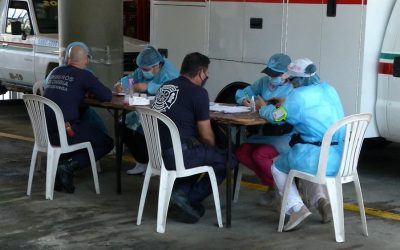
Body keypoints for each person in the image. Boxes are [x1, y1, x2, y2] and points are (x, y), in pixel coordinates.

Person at [263, 58, 345, 231]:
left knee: (279, 166)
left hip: (314, 156)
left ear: (298, 80)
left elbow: (276, 117)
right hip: (339, 158)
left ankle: (296, 208)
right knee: (303, 162)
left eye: (290, 79)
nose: (289, 83)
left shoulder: (297, 96)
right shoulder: (329, 89)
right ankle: (321, 200)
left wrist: (263, 108)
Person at [152, 52, 229, 224]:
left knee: (200, 153)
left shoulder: (165, 86)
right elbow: (206, 134)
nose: (207, 76)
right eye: (206, 72)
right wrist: (212, 149)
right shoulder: (199, 93)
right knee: (226, 159)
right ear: (201, 72)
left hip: (157, 154)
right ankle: (187, 199)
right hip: (179, 155)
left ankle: (179, 194)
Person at [44, 43, 114, 193]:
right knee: (107, 142)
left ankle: (63, 165)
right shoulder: (84, 75)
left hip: (46, 133)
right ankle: (69, 165)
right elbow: (106, 95)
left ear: (67, 59)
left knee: (86, 128)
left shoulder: (55, 71)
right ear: (86, 60)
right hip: (66, 131)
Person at [115, 45, 179, 175]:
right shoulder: (142, 70)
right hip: (142, 109)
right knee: (122, 125)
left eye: (146, 69)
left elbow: (173, 88)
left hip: (162, 112)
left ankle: (154, 163)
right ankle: (141, 161)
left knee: (143, 130)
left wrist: (149, 87)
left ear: (156, 66)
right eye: (142, 69)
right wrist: (121, 84)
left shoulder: (169, 73)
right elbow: (132, 78)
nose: (143, 71)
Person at [234, 53, 293, 192]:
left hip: (284, 135)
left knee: (259, 155)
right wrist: (244, 100)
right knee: (241, 152)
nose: (272, 78)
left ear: (286, 74)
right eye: (270, 73)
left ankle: (284, 190)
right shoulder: (263, 82)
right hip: (263, 133)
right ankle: (274, 184)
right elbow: (243, 93)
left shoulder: (293, 90)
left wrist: (263, 107)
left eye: (276, 74)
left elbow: (278, 117)